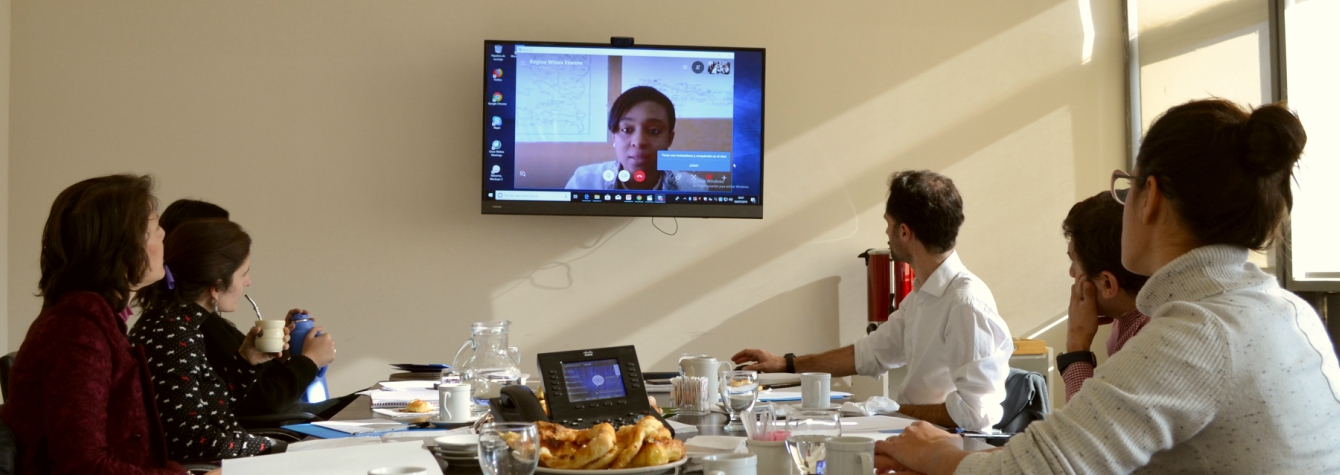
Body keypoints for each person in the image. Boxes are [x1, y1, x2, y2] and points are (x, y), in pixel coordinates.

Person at [876, 100, 1340, 474]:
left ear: (1151, 198)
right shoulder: (1287, 310)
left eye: (1127, 187)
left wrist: (937, 454)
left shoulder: (1197, 333)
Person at [733, 170, 1013, 431]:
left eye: (888, 225)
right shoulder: (924, 294)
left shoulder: (966, 304)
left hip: (947, 451)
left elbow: (977, 414)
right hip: (914, 438)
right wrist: (786, 363)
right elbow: (870, 353)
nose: (886, 234)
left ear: (904, 232)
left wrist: (891, 410)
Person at [0, 174, 205, 474]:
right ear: (120, 246)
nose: (163, 235)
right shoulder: (76, 330)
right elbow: (82, 465)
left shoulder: (92, 320)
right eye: (153, 227)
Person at [129, 219, 334, 461]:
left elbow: (214, 408)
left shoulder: (178, 323)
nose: (248, 282)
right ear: (216, 286)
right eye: (243, 273)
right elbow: (192, 441)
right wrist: (278, 448)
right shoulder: (174, 334)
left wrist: (246, 361)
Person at [156, 199, 348, 419]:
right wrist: (309, 361)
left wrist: (278, 356)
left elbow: (243, 393)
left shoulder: (194, 321)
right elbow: (262, 403)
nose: (248, 282)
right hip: (278, 429)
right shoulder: (191, 328)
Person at [1058, 191, 1149, 402]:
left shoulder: (1143, 344)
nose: (1072, 273)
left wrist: (1077, 347)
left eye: (1075, 263)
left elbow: (1083, 429)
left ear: (1108, 283)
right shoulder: (1128, 316)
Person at [565, 86, 709, 192]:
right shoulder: (584, 182)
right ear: (614, 135)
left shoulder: (694, 188)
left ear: (669, 139)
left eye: (654, 131)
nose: (639, 142)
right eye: (627, 130)